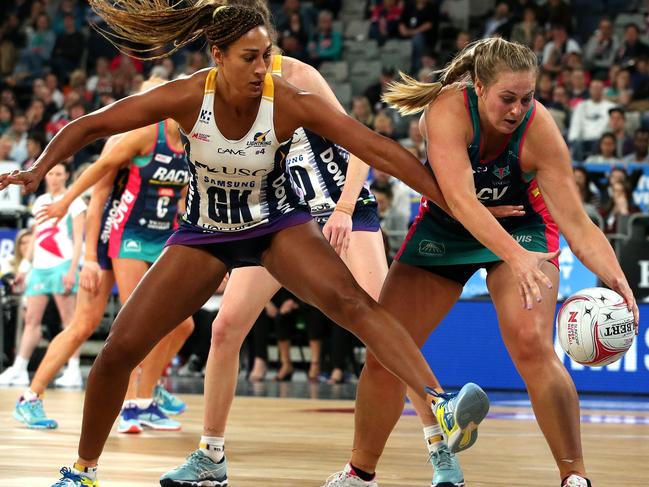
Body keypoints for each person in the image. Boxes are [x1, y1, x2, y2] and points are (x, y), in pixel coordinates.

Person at [0, 4, 512, 486]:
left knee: (354, 303)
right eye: (250, 56)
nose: (263, 66)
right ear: (217, 55)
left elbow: (377, 148)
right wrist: (40, 168)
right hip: (203, 234)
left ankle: (439, 404)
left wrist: (456, 202)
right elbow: (92, 125)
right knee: (118, 352)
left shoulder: (284, 98)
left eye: (267, 55)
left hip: (276, 229)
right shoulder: (184, 96)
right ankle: (86, 470)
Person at [323, 37, 639, 487]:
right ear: (477, 87)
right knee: (385, 352)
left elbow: (576, 221)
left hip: (523, 226)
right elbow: (462, 203)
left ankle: (575, 477)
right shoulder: (447, 110)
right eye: (507, 98)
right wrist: (516, 259)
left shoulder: (539, 128)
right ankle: (360, 473)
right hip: (451, 224)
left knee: (531, 345)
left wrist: (616, 277)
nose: (517, 110)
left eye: (527, 98)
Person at [11, 80, 192, 430]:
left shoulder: (186, 139)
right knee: (98, 324)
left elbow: (179, 197)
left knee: (175, 324)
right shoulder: (128, 137)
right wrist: (91, 258)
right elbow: (97, 203)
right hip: (115, 238)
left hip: (152, 237)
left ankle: (147, 389)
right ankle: (38, 397)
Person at [0, 162, 85, 388]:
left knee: (70, 322)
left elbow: (79, 241)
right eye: (51, 174)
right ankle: (19, 368)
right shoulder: (40, 201)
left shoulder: (74, 203)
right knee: (31, 320)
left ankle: (73, 370)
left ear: (67, 176)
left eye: (59, 174)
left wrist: (72, 270)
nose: (54, 178)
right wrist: (24, 268)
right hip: (40, 267)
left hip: (62, 265)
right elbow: (36, 236)